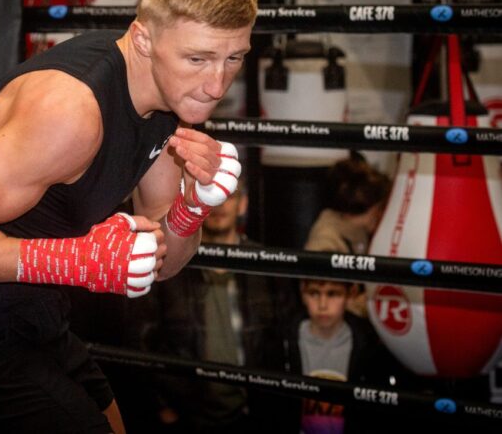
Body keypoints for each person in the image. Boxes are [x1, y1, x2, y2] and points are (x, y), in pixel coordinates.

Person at [0, 0, 256, 433]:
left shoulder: (166, 107)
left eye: (233, 58)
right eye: (198, 59)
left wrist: (191, 209)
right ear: (143, 39)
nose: (218, 85)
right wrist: (76, 260)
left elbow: (164, 263)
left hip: (41, 317)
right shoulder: (71, 113)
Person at [138, 180, 298, 433]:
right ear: (197, 204)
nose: (220, 205)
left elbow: (286, 340)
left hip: (258, 412)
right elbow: (144, 339)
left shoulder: (267, 264)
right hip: (188, 416)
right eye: (210, 196)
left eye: (229, 196)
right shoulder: (171, 265)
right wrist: (163, 407)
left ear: (243, 203)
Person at [276, 278, 399, 434]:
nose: (322, 305)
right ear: (302, 292)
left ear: (351, 293)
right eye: (314, 293)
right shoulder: (281, 341)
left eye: (333, 294)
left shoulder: (368, 343)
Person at [304, 153, 391, 317]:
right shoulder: (326, 241)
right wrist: (377, 302)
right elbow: (330, 304)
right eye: (379, 208)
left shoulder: (357, 233)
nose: (382, 214)